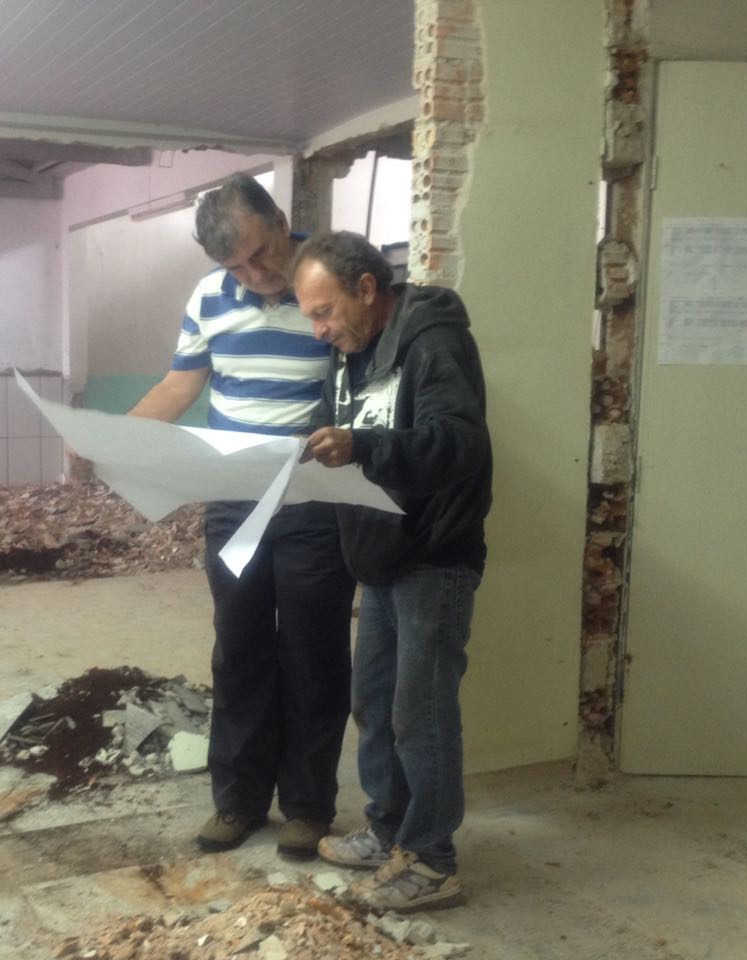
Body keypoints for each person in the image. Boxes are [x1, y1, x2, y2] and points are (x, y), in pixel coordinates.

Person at [130, 173, 356, 860]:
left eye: (260, 254)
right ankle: (238, 800)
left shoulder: (328, 282)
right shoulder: (209, 297)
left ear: (281, 220)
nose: (255, 276)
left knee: (313, 652)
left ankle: (308, 807)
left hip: (314, 497)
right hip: (234, 501)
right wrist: (116, 436)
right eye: (236, 267)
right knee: (239, 648)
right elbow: (179, 384)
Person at [294, 230, 492, 912]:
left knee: (421, 715)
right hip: (379, 556)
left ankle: (433, 861)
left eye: (324, 312)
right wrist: (299, 444)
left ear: (367, 289)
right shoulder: (348, 355)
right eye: (311, 317)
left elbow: (459, 444)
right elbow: (330, 423)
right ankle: (389, 832)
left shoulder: (432, 341)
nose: (319, 330)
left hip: (433, 557)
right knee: (375, 704)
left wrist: (361, 445)